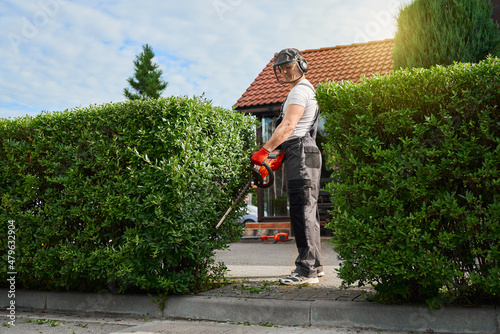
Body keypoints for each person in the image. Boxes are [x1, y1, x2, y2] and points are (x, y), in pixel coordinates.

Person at [251, 48, 323, 285]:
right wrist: (279, 157)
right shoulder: (305, 91)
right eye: (280, 68)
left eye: (287, 66)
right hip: (304, 151)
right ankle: (315, 265)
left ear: (301, 66)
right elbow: (297, 130)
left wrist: (264, 152)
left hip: (301, 152)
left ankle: (306, 271)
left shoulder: (299, 92)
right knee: (307, 210)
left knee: (301, 210)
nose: (283, 72)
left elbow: (289, 126)